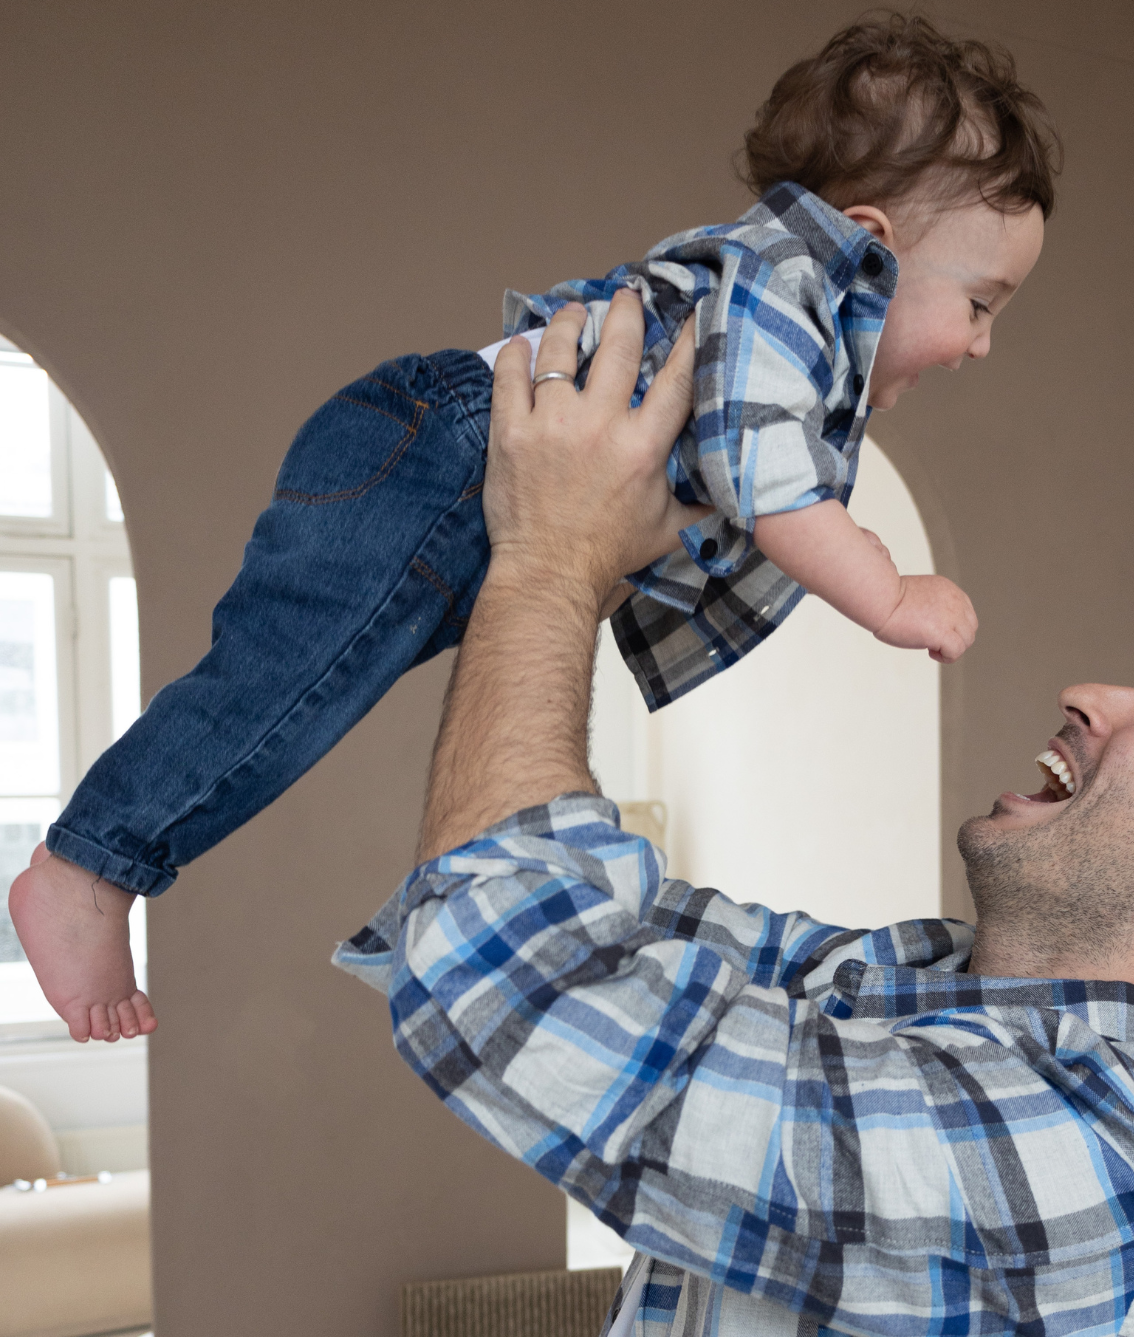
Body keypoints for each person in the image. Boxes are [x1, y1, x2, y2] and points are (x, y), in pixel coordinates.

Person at [335, 297, 1134, 1337]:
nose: (1090, 693)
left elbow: (517, 981)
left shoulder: (1084, 1165)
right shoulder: (923, 984)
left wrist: (551, 557)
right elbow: (584, 940)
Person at [10, 13, 1059, 1046]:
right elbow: (774, 484)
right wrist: (887, 589)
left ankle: (117, 861)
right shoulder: (788, 291)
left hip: (462, 488)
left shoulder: (793, 321)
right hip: (442, 450)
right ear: (869, 247)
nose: (982, 345)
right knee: (284, 682)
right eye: (980, 303)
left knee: (311, 689)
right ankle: (91, 863)